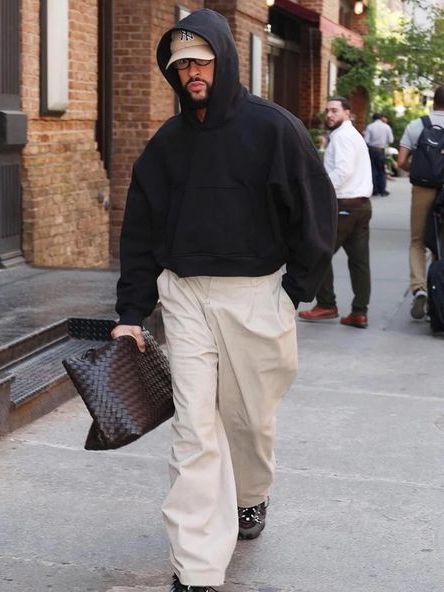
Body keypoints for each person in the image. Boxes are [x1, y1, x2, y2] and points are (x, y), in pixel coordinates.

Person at [111, 9, 337, 592]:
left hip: (257, 297)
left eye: (200, 60)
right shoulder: (166, 145)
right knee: (194, 430)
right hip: (184, 297)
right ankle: (197, 568)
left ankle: (253, 495)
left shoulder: (274, 130)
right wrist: (132, 315)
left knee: (249, 422)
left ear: (224, 58)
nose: (190, 72)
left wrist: (293, 292)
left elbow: (315, 216)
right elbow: (138, 233)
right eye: (181, 63)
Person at [299, 97, 373, 329]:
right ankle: (359, 312)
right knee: (359, 261)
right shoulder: (352, 135)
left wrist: (318, 192)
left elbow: (342, 171)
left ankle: (326, 304)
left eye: (334, 111)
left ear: (347, 113)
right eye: (327, 111)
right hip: (361, 206)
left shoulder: (342, 137)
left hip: (344, 206)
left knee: (318, 253)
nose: (329, 115)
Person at [397, 85, 444, 320]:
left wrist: (418, 171)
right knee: (441, 243)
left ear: (432, 101)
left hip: (422, 188)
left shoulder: (417, 125)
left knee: (417, 241)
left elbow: (401, 162)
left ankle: (419, 289)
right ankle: (439, 293)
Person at [364, 113, 394, 196]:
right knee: (381, 170)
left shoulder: (370, 127)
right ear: (381, 118)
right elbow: (391, 140)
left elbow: (366, 140)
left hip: (372, 150)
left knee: (373, 170)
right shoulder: (386, 127)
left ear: (373, 119)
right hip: (381, 150)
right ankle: (382, 190)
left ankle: (374, 190)